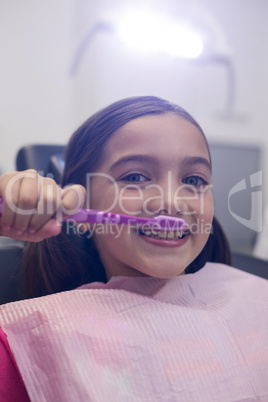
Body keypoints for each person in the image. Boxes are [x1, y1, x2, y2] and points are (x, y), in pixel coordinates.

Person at [0, 96, 267, 401]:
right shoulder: (21, 347)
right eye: (136, 177)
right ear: (79, 204)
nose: (172, 202)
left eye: (193, 180)